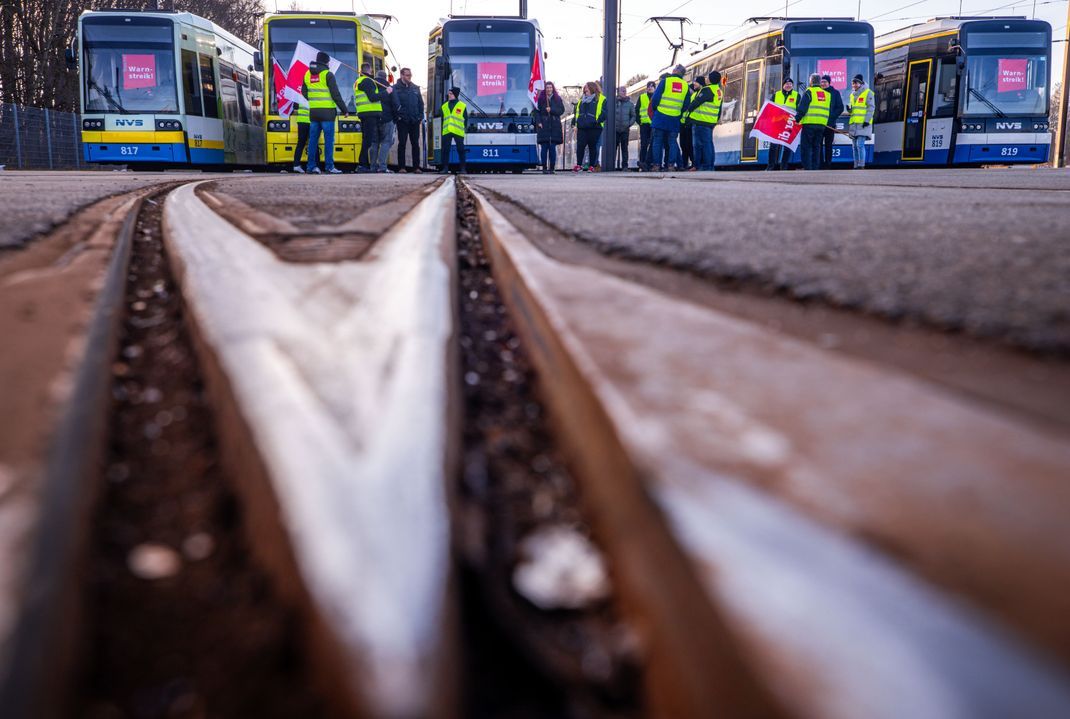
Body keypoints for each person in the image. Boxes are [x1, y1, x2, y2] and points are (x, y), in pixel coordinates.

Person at [302, 51, 348, 174]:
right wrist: (345, 110)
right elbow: (336, 95)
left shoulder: (307, 74)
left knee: (312, 140)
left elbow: (303, 91)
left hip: (314, 113)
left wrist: (313, 100)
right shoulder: (328, 74)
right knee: (329, 141)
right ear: (327, 62)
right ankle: (329, 166)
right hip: (327, 113)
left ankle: (310, 166)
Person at [650, 65, 691, 172]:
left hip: (660, 116)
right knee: (672, 142)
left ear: (675, 71)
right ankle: (671, 165)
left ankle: (656, 165)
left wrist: (656, 110)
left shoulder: (665, 81)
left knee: (657, 142)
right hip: (674, 118)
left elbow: (655, 99)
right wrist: (678, 112)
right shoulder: (685, 86)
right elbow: (687, 104)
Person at [354, 62, 392, 173]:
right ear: (370, 70)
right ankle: (362, 165)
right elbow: (373, 97)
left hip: (363, 113)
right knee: (368, 141)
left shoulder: (358, 81)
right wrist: (386, 92)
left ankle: (363, 165)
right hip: (369, 114)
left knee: (366, 140)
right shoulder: (367, 81)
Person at [686, 71, 721, 171]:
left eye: (707, 77)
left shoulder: (707, 90)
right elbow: (719, 108)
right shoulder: (718, 91)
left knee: (699, 145)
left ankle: (703, 166)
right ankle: (709, 165)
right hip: (710, 121)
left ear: (710, 79)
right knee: (708, 144)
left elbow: (697, 102)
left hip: (701, 121)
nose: (706, 79)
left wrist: (689, 109)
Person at [794, 73, 830, 171]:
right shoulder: (827, 94)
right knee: (817, 146)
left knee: (806, 146)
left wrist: (797, 118)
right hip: (821, 125)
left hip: (809, 123)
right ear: (819, 82)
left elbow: (802, 108)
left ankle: (807, 167)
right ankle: (815, 167)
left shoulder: (809, 92)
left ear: (811, 81)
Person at [393, 67, 424, 173]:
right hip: (402, 121)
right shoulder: (395, 88)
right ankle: (401, 167)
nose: (409, 77)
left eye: (410, 75)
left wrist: (420, 116)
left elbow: (421, 103)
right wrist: (398, 116)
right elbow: (393, 104)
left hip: (414, 120)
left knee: (415, 144)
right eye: (407, 75)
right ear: (402, 75)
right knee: (402, 143)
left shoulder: (415, 88)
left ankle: (416, 167)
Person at [572, 81, 605, 172]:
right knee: (580, 146)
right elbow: (577, 114)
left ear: (592, 88)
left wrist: (596, 121)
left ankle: (592, 165)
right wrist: (576, 124)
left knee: (592, 146)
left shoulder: (601, 99)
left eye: (586, 87)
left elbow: (604, 113)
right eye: (584, 88)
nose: (585, 89)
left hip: (595, 127)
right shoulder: (581, 101)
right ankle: (579, 165)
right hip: (582, 127)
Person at [766, 77, 798, 171]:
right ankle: (770, 166)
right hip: (777, 123)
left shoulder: (797, 95)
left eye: (790, 84)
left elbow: (799, 109)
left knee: (787, 147)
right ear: (783, 85)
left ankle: (783, 167)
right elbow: (770, 108)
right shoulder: (776, 95)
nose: (788, 86)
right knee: (773, 146)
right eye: (787, 84)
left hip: (789, 124)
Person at [534, 81, 565, 173]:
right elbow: (537, 112)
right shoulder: (541, 99)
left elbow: (561, 110)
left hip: (554, 127)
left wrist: (551, 110)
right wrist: (539, 122)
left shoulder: (557, 99)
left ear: (553, 88)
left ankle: (552, 167)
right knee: (544, 148)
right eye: (547, 88)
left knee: (552, 148)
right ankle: (544, 167)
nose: (549, 89)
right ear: (545, 89)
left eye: (550, 87)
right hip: (544, 126)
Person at [847, 74, 875, 169]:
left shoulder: (868, 93)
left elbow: (871, 108)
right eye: (853, 83)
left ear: (861, 83)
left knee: (860, 145)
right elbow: (855, 110)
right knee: (854, 146)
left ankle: (861, 165)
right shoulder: (852, 95)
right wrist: (849, 110)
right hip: (854, 124)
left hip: (863, 124)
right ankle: (856, 165)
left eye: (856, 83)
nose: (854, 85)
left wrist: (867, 120)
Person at [820, 74, 845, 169]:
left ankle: (828, 164)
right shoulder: (818, 92)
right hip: (819, 124)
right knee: (818, 145)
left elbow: (840, 108)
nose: (823, 84)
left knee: (828, 145)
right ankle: (820, 164)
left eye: (825, 82)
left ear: (829, 83)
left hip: (830, 124)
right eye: (821, 82)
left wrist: (831, 117)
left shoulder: (835, 93)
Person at [439, 86, 467, 174]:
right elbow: (442, 118)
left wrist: (463, 129)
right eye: (449, 93)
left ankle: (463, 168)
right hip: (447, 131)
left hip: (458, 131)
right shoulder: (444, 106)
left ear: (455, 94)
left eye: (451, 93)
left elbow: (466, 119)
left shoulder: (462, 106)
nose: (449, 95)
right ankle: (445, 168)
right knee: (445, 150)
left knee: (461, 150)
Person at [373, 69, 395, 173]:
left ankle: (372, 167)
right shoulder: (390, 88)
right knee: (386, 142)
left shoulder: (371, 85)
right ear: (385, 77)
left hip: (374, 117)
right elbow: (395, 103)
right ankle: (382, 167)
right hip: (387, 118)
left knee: (374, 143)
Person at [614, 85, 635, 171]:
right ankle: (612, 165)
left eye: (625, 91)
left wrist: (628, 124)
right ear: (618, 92)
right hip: (614, 130)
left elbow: (633, 116)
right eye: (622, 90)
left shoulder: (630, 104)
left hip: (625, 129)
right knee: (613, 148)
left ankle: (625, 166)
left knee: (624, 148)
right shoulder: (613, 102)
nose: (624, 92)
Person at [637, 80, 655, 171]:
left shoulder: (656, 97)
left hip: (653, 124)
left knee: (653, 144)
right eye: (648, 86)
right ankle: (642, 162)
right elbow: (637, 110)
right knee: (644, 144)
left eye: (652, 86)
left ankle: (650, 163)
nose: (650, 87)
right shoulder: (642, 97)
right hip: (644, 124)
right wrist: (639, 122)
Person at [291, 100, 310, 173]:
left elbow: (294, 110)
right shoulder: (313, 95)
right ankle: (314, 166)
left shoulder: (299, 96)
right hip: (311, 122)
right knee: (313, 144)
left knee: (300, 143)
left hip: (301, 121)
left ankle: (296, 165)